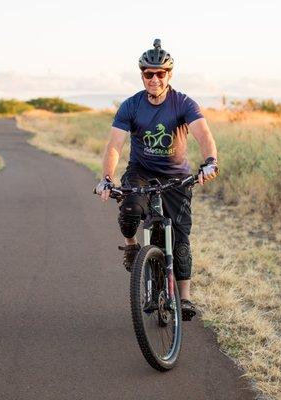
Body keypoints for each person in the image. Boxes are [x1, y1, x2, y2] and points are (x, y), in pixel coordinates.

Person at [94, 39, 218, 321]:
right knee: (129, 212)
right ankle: (131, 247)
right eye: (148, 73)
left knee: (181, 237)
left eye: (160, 73)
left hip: (176, 176)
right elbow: (115, 145)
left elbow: (203, 135)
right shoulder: (131, 105)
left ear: (169, 75)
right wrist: (106, 178)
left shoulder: (183, 103)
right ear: (142, 75)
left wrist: (210, 161)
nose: (154, 79)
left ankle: (184, 298)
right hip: (141, 171)